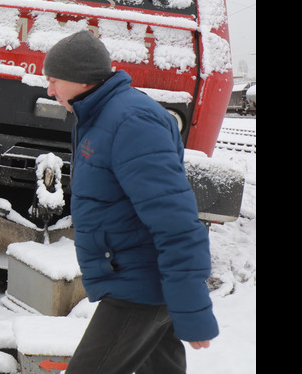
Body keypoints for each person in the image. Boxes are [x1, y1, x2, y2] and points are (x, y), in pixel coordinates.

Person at [42, 30, 218, 374]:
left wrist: (192, 303)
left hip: (138, 286)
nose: (49, 90)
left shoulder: (130, 121)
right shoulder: (101, 115)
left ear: (80, 79)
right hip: (137, 277)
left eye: (53, 80)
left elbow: (175, 217)